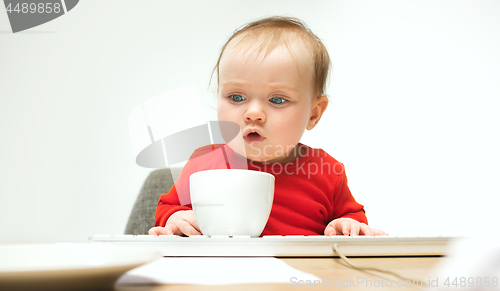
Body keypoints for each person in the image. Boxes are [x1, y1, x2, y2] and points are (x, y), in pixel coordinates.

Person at [149, 16, 386, 236]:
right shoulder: (202, 163)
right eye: (237, 97)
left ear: (313, 114)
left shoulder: (327, 172)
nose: (253, 113)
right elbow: (167, 208)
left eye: (277, 100)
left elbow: (352, 218)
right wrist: (176, 217)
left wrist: (347, 224)